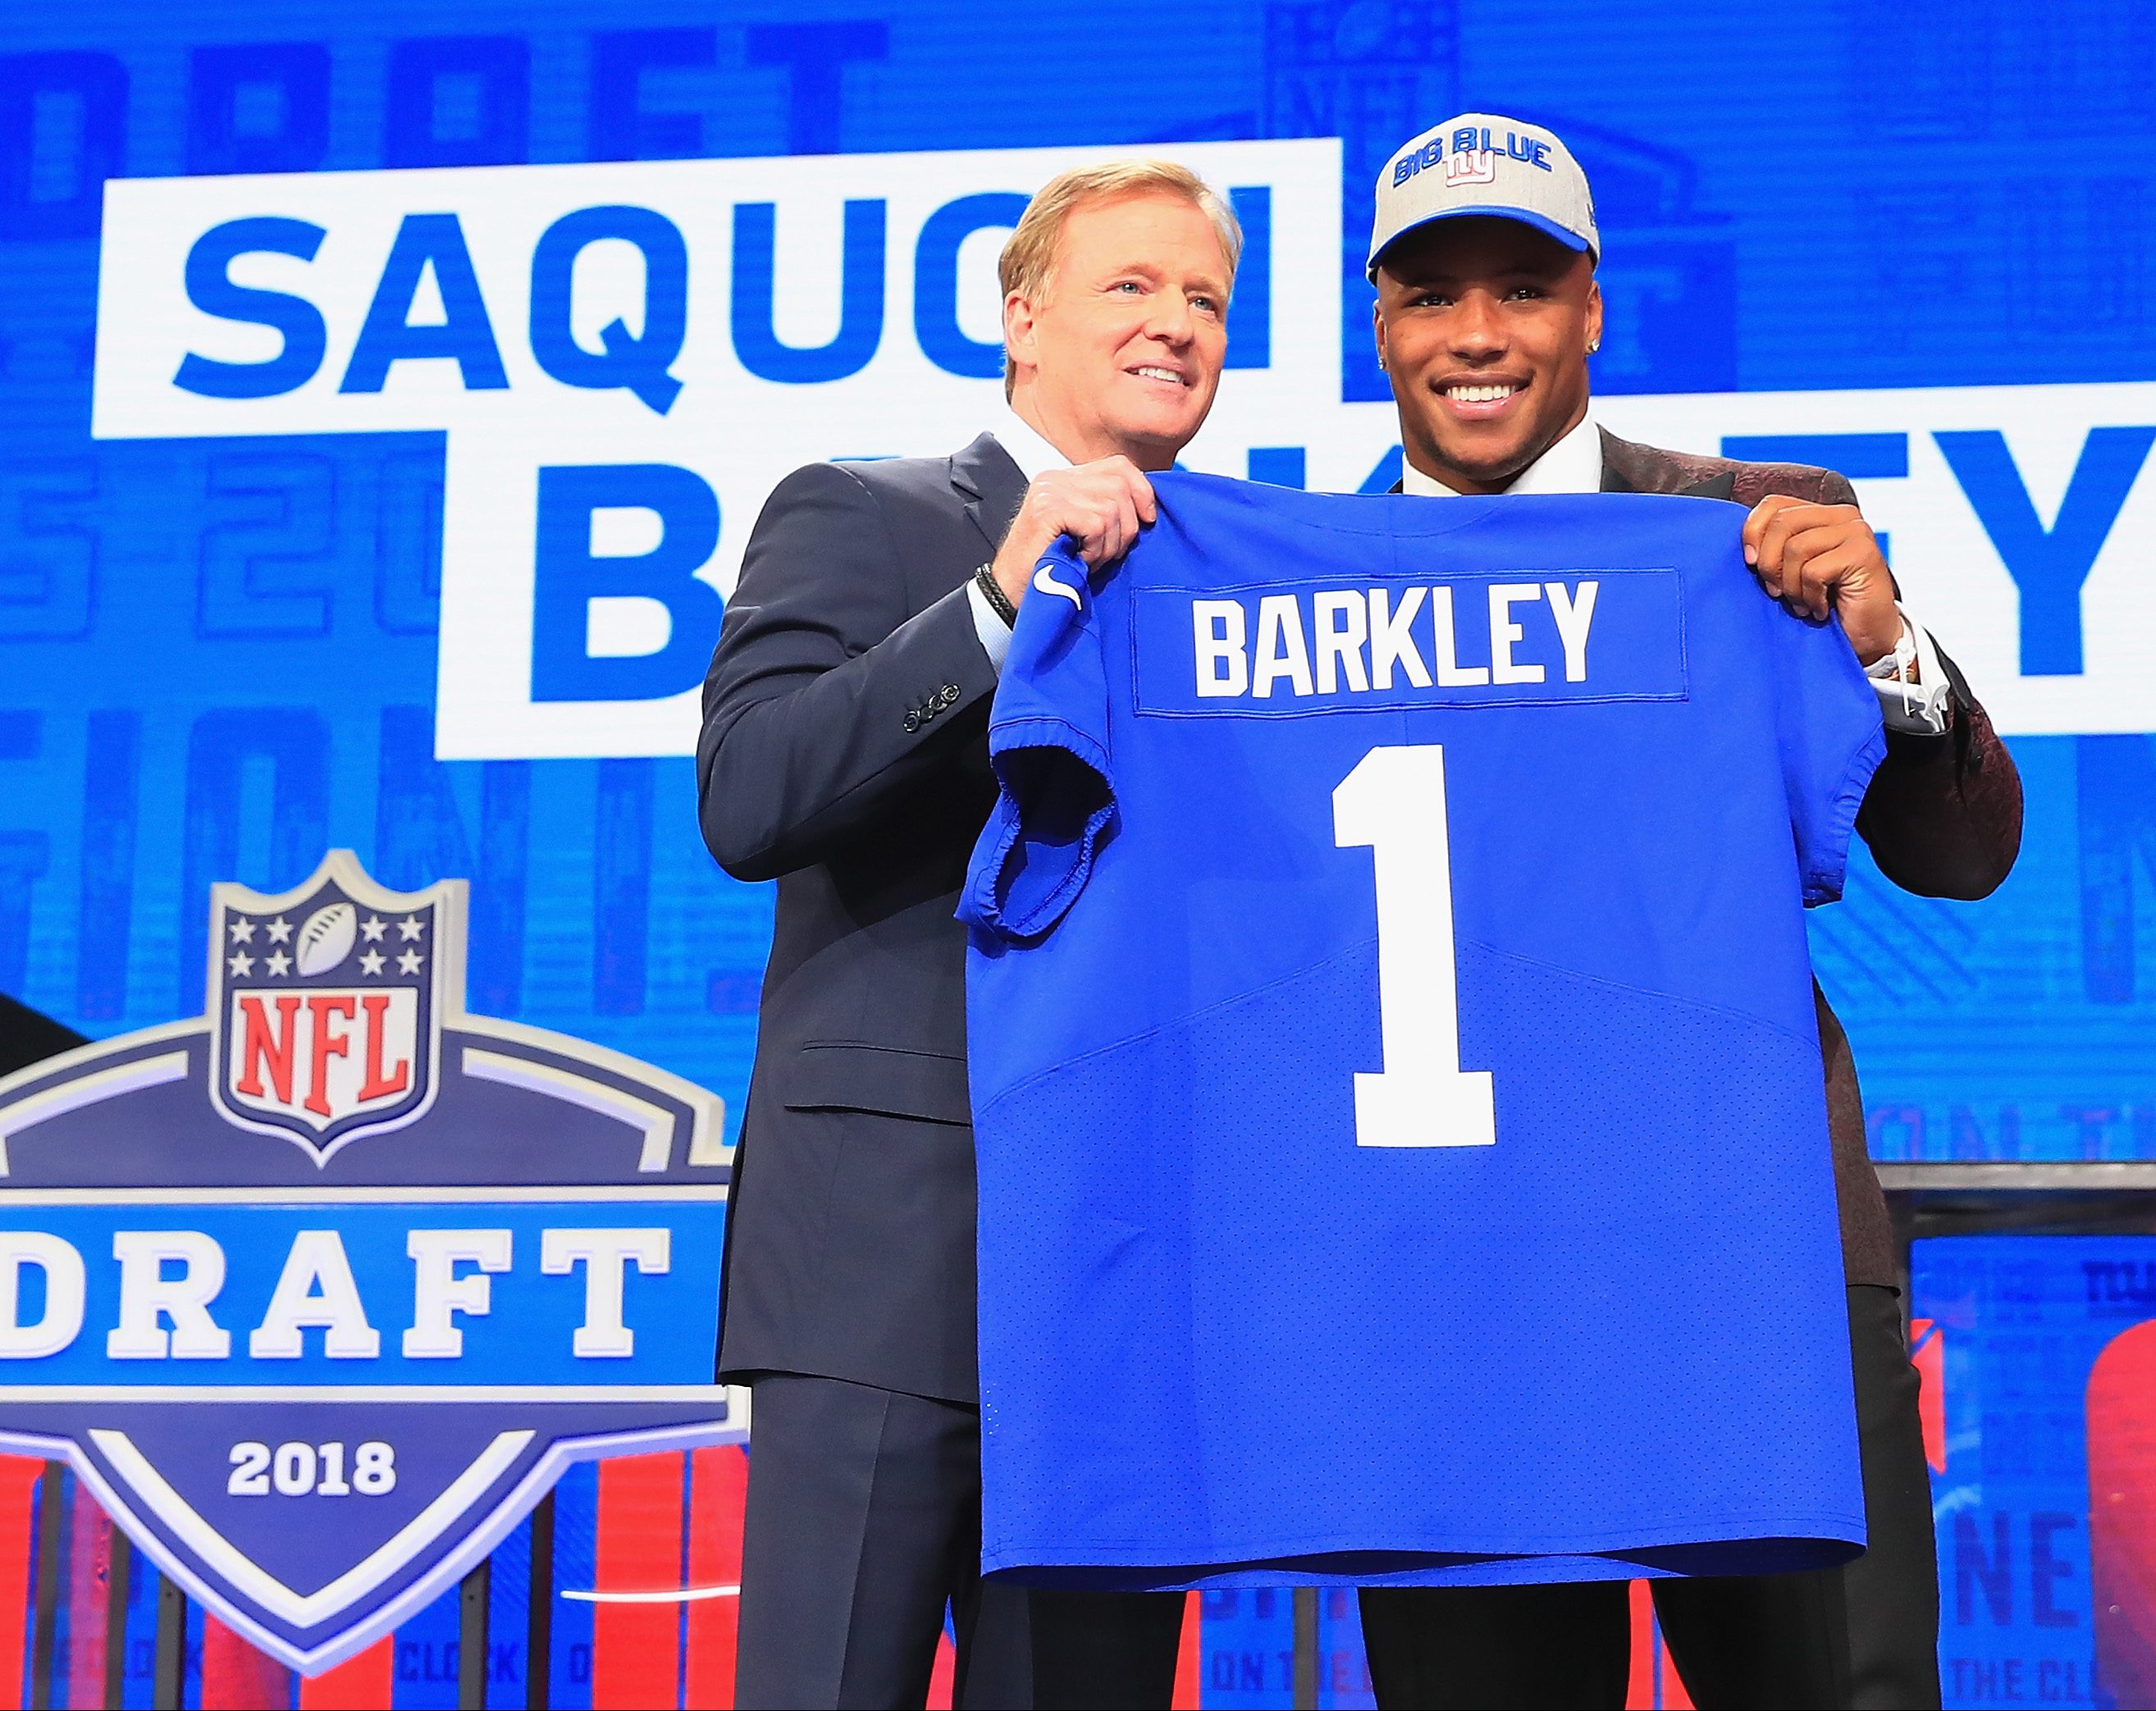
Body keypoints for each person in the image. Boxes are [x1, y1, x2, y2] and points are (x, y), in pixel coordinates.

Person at [1347, 115, 2024, 1711]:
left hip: (1752, 1238)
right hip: (1451, 1270)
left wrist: (1883, 645)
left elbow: (1961, 856)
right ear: (1381, 329)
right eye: (1433, 295)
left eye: (1522, 288)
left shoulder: (1759, 531)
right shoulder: (1298, 575)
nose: (1476, 334)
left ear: (1592, 309)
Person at [697, 158, 1236, 1709]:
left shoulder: (1235, 583)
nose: (1176, 323)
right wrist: (998, 601)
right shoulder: (861, 513)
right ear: (1021, 315)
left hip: (1127, 1280)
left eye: (1206, 300)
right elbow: (749, 795)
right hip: (883, 1270)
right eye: (1131, 285)